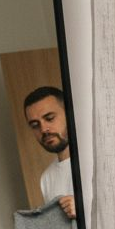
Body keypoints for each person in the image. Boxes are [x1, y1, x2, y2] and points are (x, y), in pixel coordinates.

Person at [23, 86, 77, 219]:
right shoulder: (46, 179)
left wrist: (85, 208)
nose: (43, 129)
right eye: (35, 125)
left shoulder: (96, 160)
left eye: (49, 118)